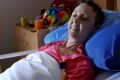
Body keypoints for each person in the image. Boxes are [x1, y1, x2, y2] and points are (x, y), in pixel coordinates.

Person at [0, 1, 104, 80]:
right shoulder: (52, 44)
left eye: (84, 18)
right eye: (74, 15)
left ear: (95, 27)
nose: (75, 21)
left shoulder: (81, 64)